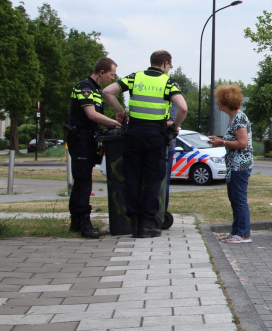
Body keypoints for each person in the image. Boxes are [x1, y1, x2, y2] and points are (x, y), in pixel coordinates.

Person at [103, 50, 187, 238]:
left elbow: (107, 92)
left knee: (132, 176)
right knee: (152, 178)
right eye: (170, 66)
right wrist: (175, 126)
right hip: (156, 135)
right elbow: (183, 107)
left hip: (134, 132)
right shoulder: (168, 82)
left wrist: (121, 112)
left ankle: (135, 223)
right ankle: (149, 223)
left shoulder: (135, 78)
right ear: (166, 64)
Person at [67, 57, 121, 238]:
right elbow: (91, 115)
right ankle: (84, 223)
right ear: (102, 72)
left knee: (81, 181)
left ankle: (75, 221)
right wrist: (115, 123)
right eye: (112, 75)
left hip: (89, 140)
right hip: (80, 139)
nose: (113, 79)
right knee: (83, 182)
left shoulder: (96, 91)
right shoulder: (84, 88)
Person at [208, 85, 253, 244]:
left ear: (227, 102)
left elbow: (242, 143)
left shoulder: (239, 119)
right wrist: (220, 140)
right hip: (233, 165)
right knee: (234, 198)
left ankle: (243, 234)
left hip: (240, 166)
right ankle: (236, 231)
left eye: (219, 101)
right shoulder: (234, 118)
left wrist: (222, 142)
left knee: (239, 199)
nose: (217, 104)